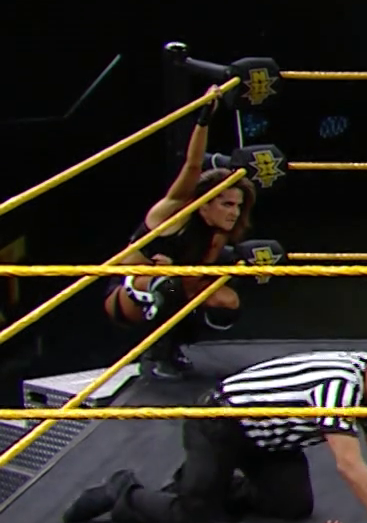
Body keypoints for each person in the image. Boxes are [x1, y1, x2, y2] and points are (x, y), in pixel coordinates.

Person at [62, 348, 367, 523]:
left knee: (292, 506)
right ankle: (123, 491)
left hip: (270, 440)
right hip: (221, 424)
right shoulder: (339, 387)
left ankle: (202, 487)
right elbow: (349, 464)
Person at [104, 83, 255, 380]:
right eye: (226, 204)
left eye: (238, 206)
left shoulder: (217, 235)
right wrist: (204, 119)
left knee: (224, 300)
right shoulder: (173, 215)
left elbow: (195, 280)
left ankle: (175, 348)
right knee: (168, 285)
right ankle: (157, 356)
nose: (234, 212)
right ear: (203, 204)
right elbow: (193, 165)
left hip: (172, 285)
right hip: (128, 292)